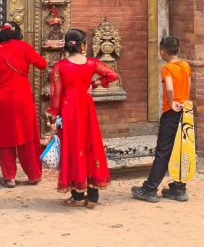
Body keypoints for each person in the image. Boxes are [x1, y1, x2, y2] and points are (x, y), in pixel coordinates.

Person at [47, 29, 119, 208]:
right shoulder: (92, 63)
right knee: (90, 146)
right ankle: (93, 197)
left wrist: (53, 119)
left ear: (67, 45)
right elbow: (113, 75)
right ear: (84, 45)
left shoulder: (60, 66)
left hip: (69, 109)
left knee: (73, 147)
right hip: (86, 108)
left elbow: (55, 96)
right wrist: (93, 84)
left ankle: (78, 195)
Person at [0, 22, 47, 188]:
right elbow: (42, 64)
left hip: (1, 100)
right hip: (22, 98)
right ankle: (33, 175)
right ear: (17, 33)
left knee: (5, 138)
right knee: (26, 136)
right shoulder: (24, 47)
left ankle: (9, 177)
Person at [131, 36, 191, 203]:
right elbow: (189, 84)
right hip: (185, 110)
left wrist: (172, 103)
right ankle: (179, 188)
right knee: (181, 149)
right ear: (178, 49)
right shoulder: (185, 65)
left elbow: (170, 88)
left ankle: (150, 189)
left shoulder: (167, 68)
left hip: (172, 112)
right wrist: (184, 102)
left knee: (163, 151)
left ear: (162, 52)